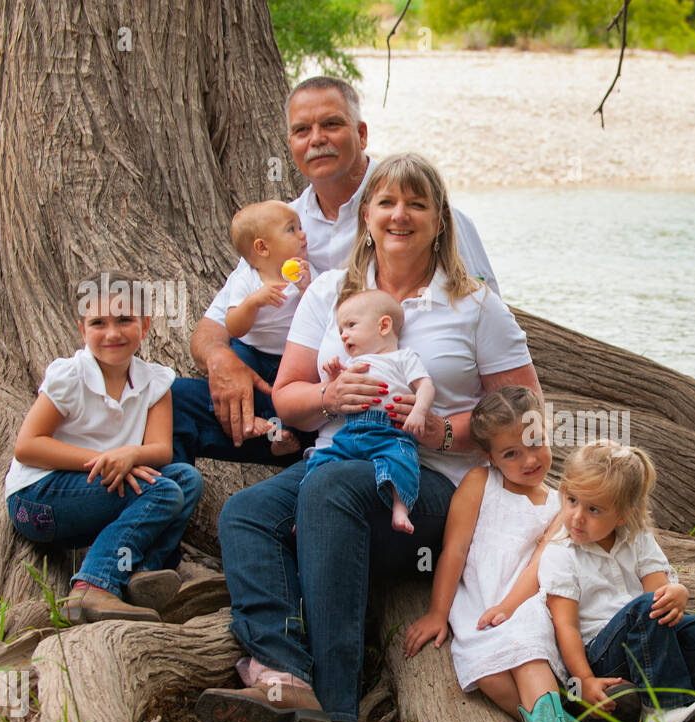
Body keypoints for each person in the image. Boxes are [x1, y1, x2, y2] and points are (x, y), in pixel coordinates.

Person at [196, 153, 540, 722]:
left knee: (333, 495)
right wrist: (327, 396)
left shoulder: (475, 303)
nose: (399, 215)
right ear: (366, 216)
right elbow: (288, 396)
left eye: (416, 203)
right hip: (336, 461)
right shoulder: (330, 291)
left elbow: (526, 409)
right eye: (385, 203)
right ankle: (282, 673)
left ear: (440, 220)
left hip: (435, 488)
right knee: (248, 513)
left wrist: (439, 429)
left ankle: (333, 709)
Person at [172, 76, 497, 466]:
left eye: (331, 124)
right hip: (297, 396)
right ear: (290, 145)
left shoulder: (414, 216)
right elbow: (211, 328)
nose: (316, 139)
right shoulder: (283, 226)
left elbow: (487, 318)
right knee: (170, 404)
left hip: (382, 398)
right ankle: (166, 505)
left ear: (361, 134)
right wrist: (222, 361)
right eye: (301, 130)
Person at [402, 386, 598, 722]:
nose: (529, 460)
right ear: (488, 456)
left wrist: (510, 606)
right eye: (511, 454)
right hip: (478, 601)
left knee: (526, 654)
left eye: (535, 443)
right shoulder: (479, 483)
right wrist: (439, 612)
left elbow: (542, 565)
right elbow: (454, 549)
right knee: (487, 673)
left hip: (527, 600)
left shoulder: (561, 503)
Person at [5, 271, 203, 624]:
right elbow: (27, 446)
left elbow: (159, 450)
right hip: (38, 501)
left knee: (186, 480)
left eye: (125, 320)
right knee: (162, 493)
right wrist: (105, 460)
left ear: (144, 327)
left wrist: (129, 455)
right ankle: (92, 587)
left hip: (95, 499)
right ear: (83, 331)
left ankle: (139, 575)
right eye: (98, 322)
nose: (112, 333)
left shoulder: (154, 381)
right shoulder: (70, 376)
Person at [539, 441, 695, 722]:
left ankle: (651, 689)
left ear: (622, 515)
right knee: (645, 609)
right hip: (603, 655)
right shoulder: (562, 554)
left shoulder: (637, 539)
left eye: (593, 509)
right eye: (571, 501)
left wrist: (679, 594)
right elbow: (565, 627)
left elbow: (660, 591)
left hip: (649, 638)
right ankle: (661, 709)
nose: (577, 517)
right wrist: (584, 679)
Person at [305, 288, 434, 533]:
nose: (344, 336)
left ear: (383, 326)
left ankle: (400, 507)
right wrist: (334, 378)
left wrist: (419, 410)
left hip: (389, 431)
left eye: (351, 325)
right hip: (351, 431)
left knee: (402, 460)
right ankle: (305, 511)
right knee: (319, 461)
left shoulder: (403, 357)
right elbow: (341, 395)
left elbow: (425, 385)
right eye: (341, 330)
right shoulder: (355, 363)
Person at [220, 198, 314, 457]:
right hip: (250, 350)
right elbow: (234, 327)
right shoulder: (247, 279)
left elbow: (318, 315)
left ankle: (278, 437)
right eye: (291, 229)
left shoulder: (305, 273)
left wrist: (306, 288)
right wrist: (253, 302)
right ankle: (245, 422)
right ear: (262, 247)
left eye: (300, 227)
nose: (303, 234)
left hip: (287, 356)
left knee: (281, 395)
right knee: (230, 378)